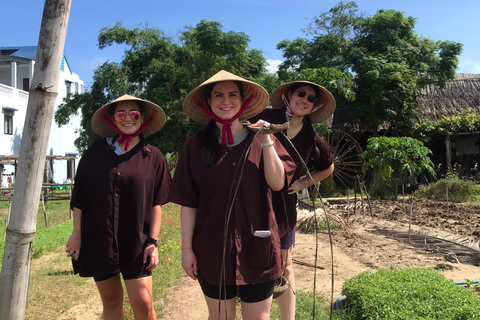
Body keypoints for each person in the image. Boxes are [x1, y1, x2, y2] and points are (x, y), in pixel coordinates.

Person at [168, 70, 296, 320]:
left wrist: (267, 140)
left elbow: (278, 183)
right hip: (212, 248)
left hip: (259, 246)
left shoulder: (262, 138)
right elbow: (189, 203)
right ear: (208, 102)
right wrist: (186, 250)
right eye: (218, 95)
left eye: (232, 95)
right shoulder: (195, 146)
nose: (226, 101)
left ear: (243, 100)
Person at [65, 95, 172, 320]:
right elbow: (80, 197)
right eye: (120, 114)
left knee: (144, 303)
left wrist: (153, 242)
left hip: (137, 240)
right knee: (111, 301)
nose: (127, 119)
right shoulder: (95, 153)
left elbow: (156, 203)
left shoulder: (154, 157)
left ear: (142, 117)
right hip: (100, 239)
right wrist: (77, 234)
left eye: (133, 113)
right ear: (112, 119)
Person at [250, 81, 335, 320]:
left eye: (311, 99)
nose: (304, 100)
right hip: (252, 202)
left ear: (314, 107)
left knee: (285, 266)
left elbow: (328, 168)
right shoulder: (263, 118)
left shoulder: (313, 138)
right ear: (288, 95)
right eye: (300, 93)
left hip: (284, 208)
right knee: (255, 262)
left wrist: (303, 183)